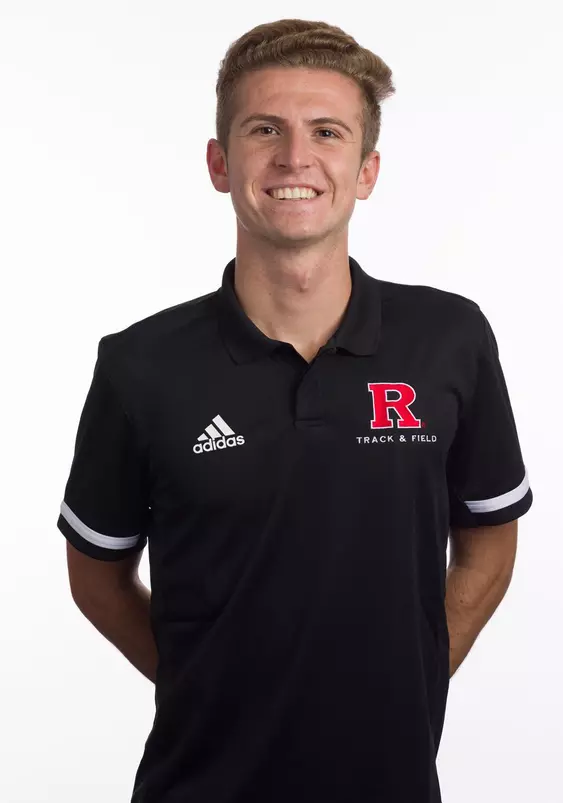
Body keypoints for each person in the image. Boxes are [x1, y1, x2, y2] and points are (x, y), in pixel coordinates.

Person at [57, 18, 533, 803]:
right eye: (264, 130)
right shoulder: (140, 363)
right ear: (219, 162)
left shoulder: (449, 339)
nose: (294, 159)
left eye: (326, 131)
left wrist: (413, 668)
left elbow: (489, 534)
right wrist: (205, 678)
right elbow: (95, 576)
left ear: (366, 168)